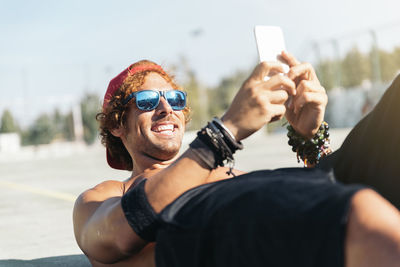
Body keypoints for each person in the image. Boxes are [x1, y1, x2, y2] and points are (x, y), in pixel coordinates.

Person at [73, 52, 400, 267]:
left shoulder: (222, 171)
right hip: (225, 224)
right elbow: (112, 236)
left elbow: (316, 190)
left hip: (287, 194)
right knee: (359, 214)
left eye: (174, 98)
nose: (166, 108)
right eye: (145, 100)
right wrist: (225, 131)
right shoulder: (111, 192)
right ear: (116, 124)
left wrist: (309, 135)